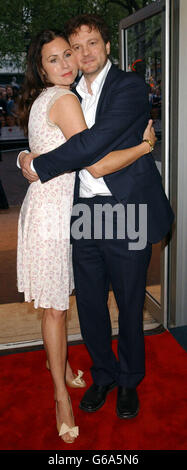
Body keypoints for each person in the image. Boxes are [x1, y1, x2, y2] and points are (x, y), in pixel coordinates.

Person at [18, 15, 169, 427]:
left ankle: (129, 381)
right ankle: (102, 375)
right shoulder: (67, 92)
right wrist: (24, 155)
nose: (83, 53)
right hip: (83, 211)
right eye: (75, 47)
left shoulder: (129, 87)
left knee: (130, 301)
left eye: (91, 44)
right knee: (89, 304)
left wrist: (37, 164)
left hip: (127, 208)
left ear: (107, 47)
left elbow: (93, 146)